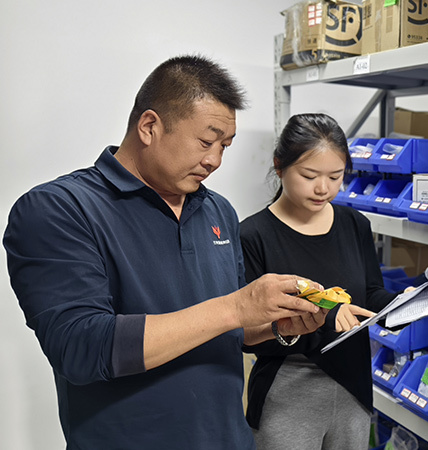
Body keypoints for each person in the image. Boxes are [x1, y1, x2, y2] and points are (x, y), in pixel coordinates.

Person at [3, 55, 328, 449]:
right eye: (206, 142)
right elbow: (81, 348)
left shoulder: (218, 211)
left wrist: (275, 325)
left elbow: (228, 328)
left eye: (224, 146)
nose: (214, 160)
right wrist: (236, 307)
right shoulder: (58, 209)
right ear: (149, 126)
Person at [240, 113, 398, 449]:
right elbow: (248, 335)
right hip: (288, 391)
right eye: (309, 176)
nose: (323, 188)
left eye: (335, 176)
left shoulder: (354, 224)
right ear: (279, 166)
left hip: (353, 388)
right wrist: (323, 318)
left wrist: (400, 306)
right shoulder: (253, 235)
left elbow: (369, 292)